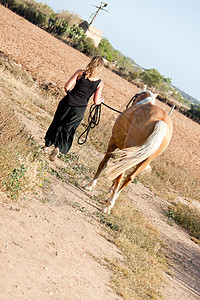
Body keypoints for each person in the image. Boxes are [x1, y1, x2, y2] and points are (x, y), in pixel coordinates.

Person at [42, 56, 104, 162]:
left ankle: (46, 146)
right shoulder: (99, 83)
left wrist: (70, 96)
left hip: (67, 103)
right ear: (100, 68)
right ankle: (58, 147)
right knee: (68, 129)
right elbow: (96, 101)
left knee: (57, 123)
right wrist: (101, 100)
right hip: (79, 110)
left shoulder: (80, 73)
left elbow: (67, 87)